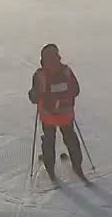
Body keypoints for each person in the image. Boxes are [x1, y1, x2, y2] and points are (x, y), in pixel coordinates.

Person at [28, 43, 85, 181]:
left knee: (49, 140)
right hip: (66, 115)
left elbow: (34, 97)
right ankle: (77, 165)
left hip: (48, 117)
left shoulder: (39, 75)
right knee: (71, 138)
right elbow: (76, 90)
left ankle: (50, 169)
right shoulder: (66, 71)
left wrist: (36, 95)